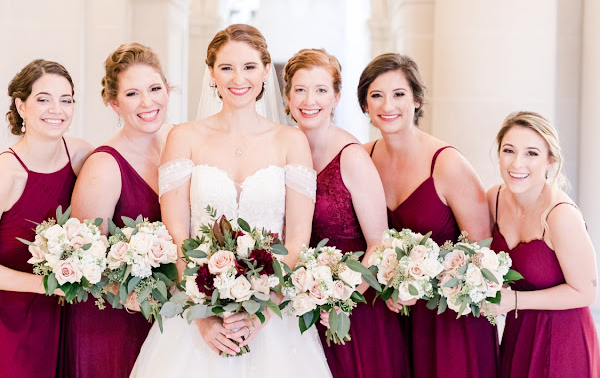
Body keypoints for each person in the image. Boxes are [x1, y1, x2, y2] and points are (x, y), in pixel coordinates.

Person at [131, 24, 331, 377]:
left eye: (250, 67)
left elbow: (298, 237)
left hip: (275, 317)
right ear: (211, 72)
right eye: (226, 68)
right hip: (196, 314)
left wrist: (264, 310)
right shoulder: (184, 137)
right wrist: (202, 316)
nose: (238, 78)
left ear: (267, 70)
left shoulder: (291, 141)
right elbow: (175, 232)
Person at [358, 53, 498, 377]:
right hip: (392, 318)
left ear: (417, 100)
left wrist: (422, 283)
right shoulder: (362, 159)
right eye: (376, 95)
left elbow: (482, 251)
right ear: (365, 105)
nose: (387, 105)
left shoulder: (447, 163)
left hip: (450, 320)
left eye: (399, 94)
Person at [0, 59, 92, 377]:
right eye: (43, 99)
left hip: (51, 312)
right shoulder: (3, 175)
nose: (56, 110)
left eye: (66, 100)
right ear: (21, 106)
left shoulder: (82, 155)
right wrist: (47, 285)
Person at [283, 48, 409, 377]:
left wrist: (343, 298)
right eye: (300, 89)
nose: (310, 100)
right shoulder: (278, 150)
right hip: (298, 306)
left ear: (337, 97)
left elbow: (379, 243)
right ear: (287, 96)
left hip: (354, 311)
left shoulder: (351, 157)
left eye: (321, 90)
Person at [62, 43, 172, 378]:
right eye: (132, 94)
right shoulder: (105, 166)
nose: (147, 102)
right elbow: (85, 260)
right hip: (113, 325)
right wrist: (139, 296)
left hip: (165, 321)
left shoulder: (177, 145)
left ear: (168, 90)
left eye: (154, 89)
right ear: (114, 103)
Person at [488, 111, 600, 377]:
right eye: (509, 150)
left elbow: (586, 292)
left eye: (532, 153)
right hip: (518, 333)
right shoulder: (494, 198)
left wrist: (514, 299)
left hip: (563, 338)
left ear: (550, 160)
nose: (517, 163)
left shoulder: (560, 215)